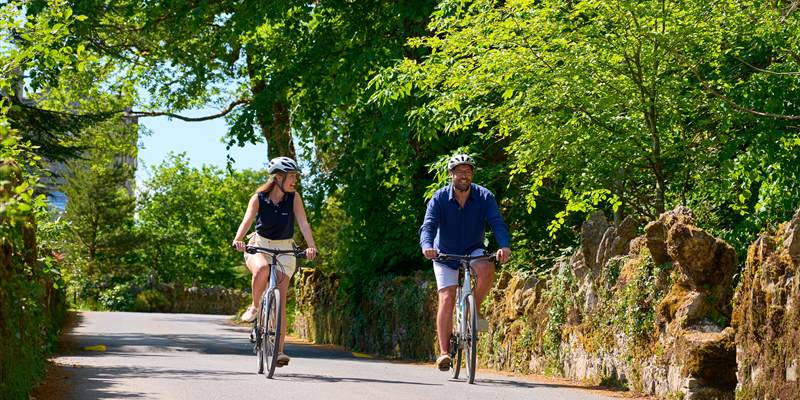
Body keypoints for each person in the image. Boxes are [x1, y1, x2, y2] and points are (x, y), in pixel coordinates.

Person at [419, 154, 511, 371]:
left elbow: (497, 223)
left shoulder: (484, 196)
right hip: (444, 254)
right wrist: (427, 246)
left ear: (472, 175)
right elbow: (429, 226)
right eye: (459, 172)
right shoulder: (439, 198)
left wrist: (504, 245)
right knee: (447, 297)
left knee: (487, 269)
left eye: (468, 172)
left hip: (472, 249)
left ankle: (473, 310)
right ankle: (443, 353)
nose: (464, 175)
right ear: (451, 174)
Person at [232, 156, 318, 367]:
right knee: (261, 269)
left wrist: (311, 246)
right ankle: (254, 307)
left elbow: (303, 223)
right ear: (278, 177)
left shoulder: (294, 198)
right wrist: (238, 239)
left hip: (285, 247)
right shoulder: (259, 197)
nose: (294, 181)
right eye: (291, 177)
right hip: (259, 243)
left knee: (279, 298)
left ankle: (278, 351)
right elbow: (248, 219)